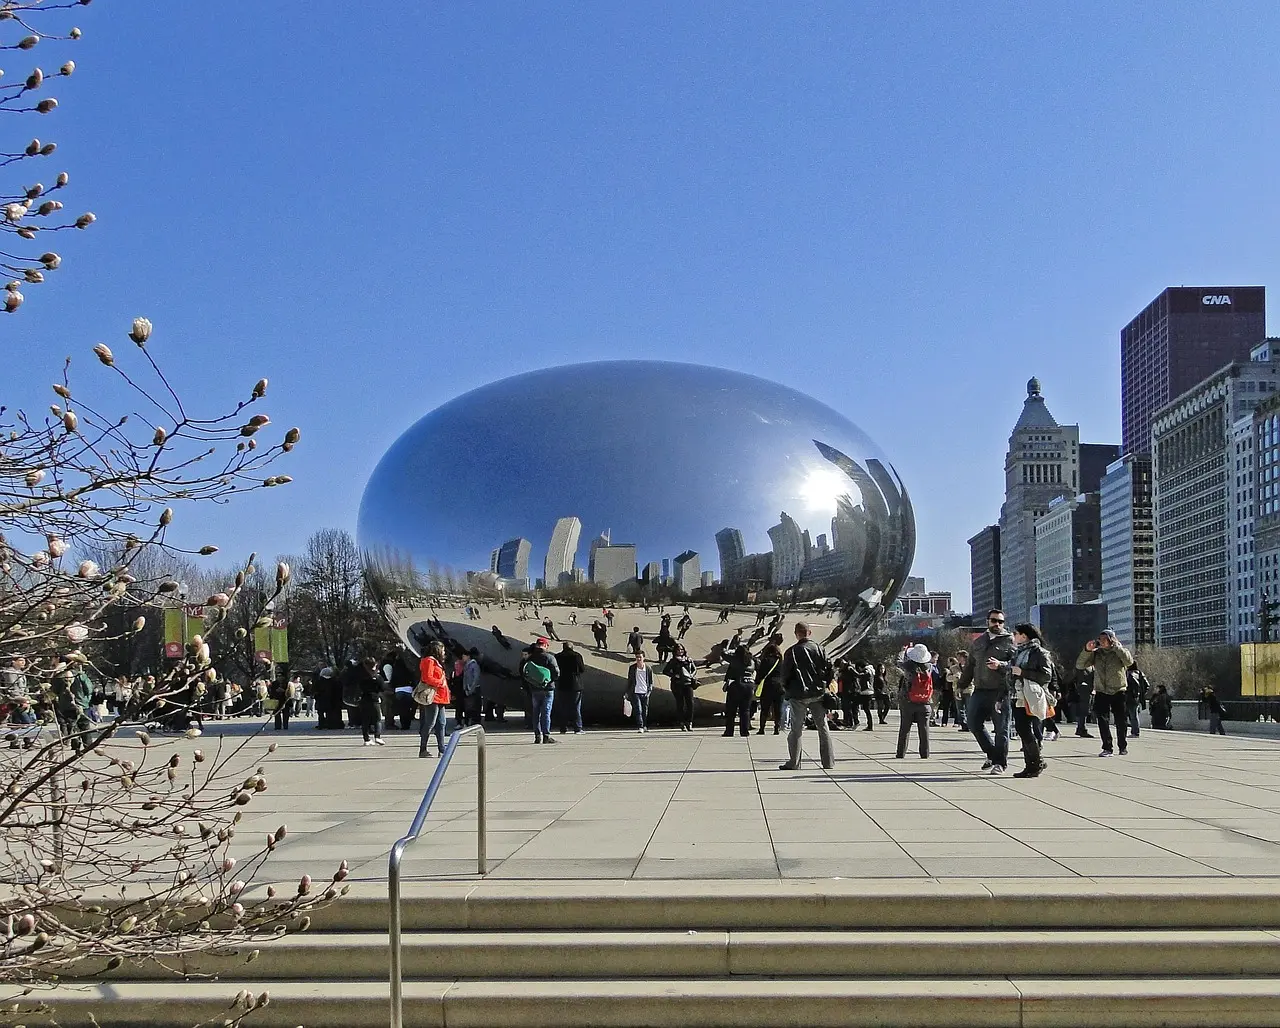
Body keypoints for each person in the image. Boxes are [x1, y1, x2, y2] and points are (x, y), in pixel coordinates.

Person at [959, 608, 1016, 775]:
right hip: (980, 689)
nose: (997, 624)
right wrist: (961, 685)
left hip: (1000, 690)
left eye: (1000, 621)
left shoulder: (1010, 641)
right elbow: (970, 665)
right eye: (994, 620)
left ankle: (1000, 763)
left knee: (1001, 728)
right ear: (987, 622)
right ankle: (992, 754)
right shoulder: (979, 642)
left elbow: (1016, 665)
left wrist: (1001, 665)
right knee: (973, 723)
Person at [995, 623, 1052, 778]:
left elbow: (1046, 676)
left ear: (1024, 636)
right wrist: (1001, 696)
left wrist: (1023, 672)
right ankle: (1033, 763)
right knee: (1023, 729)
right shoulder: (1018, 652)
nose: (1014, 636)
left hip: (1031, 696)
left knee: (1025, 730)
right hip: (1017, 695)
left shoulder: (1039, 653)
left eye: (1016, 634)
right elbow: (1009, 675)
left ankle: (1035, 763)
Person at [778, 622, 835, 771]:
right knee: (823, 727)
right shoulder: (819, 649)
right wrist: (826, 685)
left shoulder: (791, 651)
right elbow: (830, 669)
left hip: (798, 694)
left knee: (796, 729)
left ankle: (794, 762)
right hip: (818, 693)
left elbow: (785, 675)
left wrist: (787, 688)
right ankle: (828, 762)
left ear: (796, 633)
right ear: (809, 633)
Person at [1076, 629, 1134, 757]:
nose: (1102, 642)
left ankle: (1122, 745)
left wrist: (1117, 647)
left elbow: (1129, 661)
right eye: (1100, 639)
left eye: (1105, 639)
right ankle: (1107, 747)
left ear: (1111, 639)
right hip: (1102, 690)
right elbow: (1080, 665)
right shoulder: (1097, 654)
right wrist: (1087, 650)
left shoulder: (1119, 652)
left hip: (1118, 690)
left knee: (1121, 720)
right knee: (1102, 719)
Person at [895, 643, 932, 759]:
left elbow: (897, 662)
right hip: (925, 702)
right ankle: (924, 753)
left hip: (908, 702)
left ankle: (901, 753)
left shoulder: (908, 666)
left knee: (905, 728)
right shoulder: (929, 667)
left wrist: (902, 651)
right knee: (924, 729)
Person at [520, 636, 559, 744]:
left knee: (536, 712)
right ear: (546, 646)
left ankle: (537, 736)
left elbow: (525, 673)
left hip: (534, 689)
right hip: (548, 689)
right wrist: (550, 681)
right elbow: (556, 673)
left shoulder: (530, 658)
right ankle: (546, 736)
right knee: (546, 712)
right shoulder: (550, 657)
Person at [415, 641, 450, 758]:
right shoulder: (429, 661)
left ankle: (442, 749)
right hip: (433, 696)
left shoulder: (437, 662)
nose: (444, 652)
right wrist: (440, 682)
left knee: (441, 723)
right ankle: (423, 749)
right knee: (430, 723)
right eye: (442, 649)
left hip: (440, 696)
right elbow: (427, 677)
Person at [722, 642, 755, 737]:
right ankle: (744, 731)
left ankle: (729, 731)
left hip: (737, 685)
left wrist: (724, 648)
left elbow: (724, 655)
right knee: (745, 710)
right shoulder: (751, 661)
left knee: (731, 710)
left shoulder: (736, 660)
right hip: (749, 685)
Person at [755, 633, 785, 735]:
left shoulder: (765, 661)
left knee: (765, 708)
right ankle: (776, 728)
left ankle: (762, 728)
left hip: (768, 686)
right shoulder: (781, 662)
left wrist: (757, 683)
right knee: (778, 708)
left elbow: (760, 674)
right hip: (779, 686)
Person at [664, 644, 699, 731]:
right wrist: (674, 675)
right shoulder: (673, 661)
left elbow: (694, 669)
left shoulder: (688, 660)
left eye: (682, 649)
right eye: (678, 650)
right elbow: (665, 671)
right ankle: (682, 722)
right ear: (675, 651)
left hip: (688, 683)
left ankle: (689, 722)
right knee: (680, 704)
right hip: (677, 684)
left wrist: (691, 675)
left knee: (690, 703)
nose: (680, 651)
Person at [354, 656, 385, 747]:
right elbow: (382, 687)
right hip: (374, 698)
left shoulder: (361, 675)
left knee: (365, 720)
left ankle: (366, 739)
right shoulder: (376, 676)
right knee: (377, 719)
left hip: (363, 698)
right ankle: (377, 736)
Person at [555, 641, 585, 734]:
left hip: (562, 684)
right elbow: (582, 669)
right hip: (575, 684)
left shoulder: (557, 656)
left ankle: (563, 727)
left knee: (563, 707)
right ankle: (577, 728)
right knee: (576, 707)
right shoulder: (577, 656)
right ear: (572, 647)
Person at [626, 652, 653, 732]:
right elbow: (630, 681)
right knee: (638, 710)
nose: (638, 659)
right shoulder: (632, 668)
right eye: (637, 657)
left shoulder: (648, 669)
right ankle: (640, 726)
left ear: (643, 658)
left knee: (645, 710)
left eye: (640, 657)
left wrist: (649, 692)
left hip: (645, 692)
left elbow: (650, 681)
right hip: (636, 691)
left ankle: (645, 726)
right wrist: (627, 692)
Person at [1126, 662, 1151, 738]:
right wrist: (1141, 694)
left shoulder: (1129, 674)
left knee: (1132, 715)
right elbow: (1147, 685)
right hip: (1136, 698)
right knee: (1134, 714)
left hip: (1130, 697)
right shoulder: (1140, 673)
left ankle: (1135, 732)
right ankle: (1135, 731)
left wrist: (1134, 693)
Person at [462, 648, 483, 727]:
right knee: (468, 706)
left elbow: (476, 678)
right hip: (468, 688)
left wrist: (471, 688)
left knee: (474, 706)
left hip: (474, 689)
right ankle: (469, 721)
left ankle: (475, 722)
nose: (463, 658)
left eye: (464, 656)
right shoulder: (467, 665)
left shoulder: (474, 665)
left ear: (468, 656)